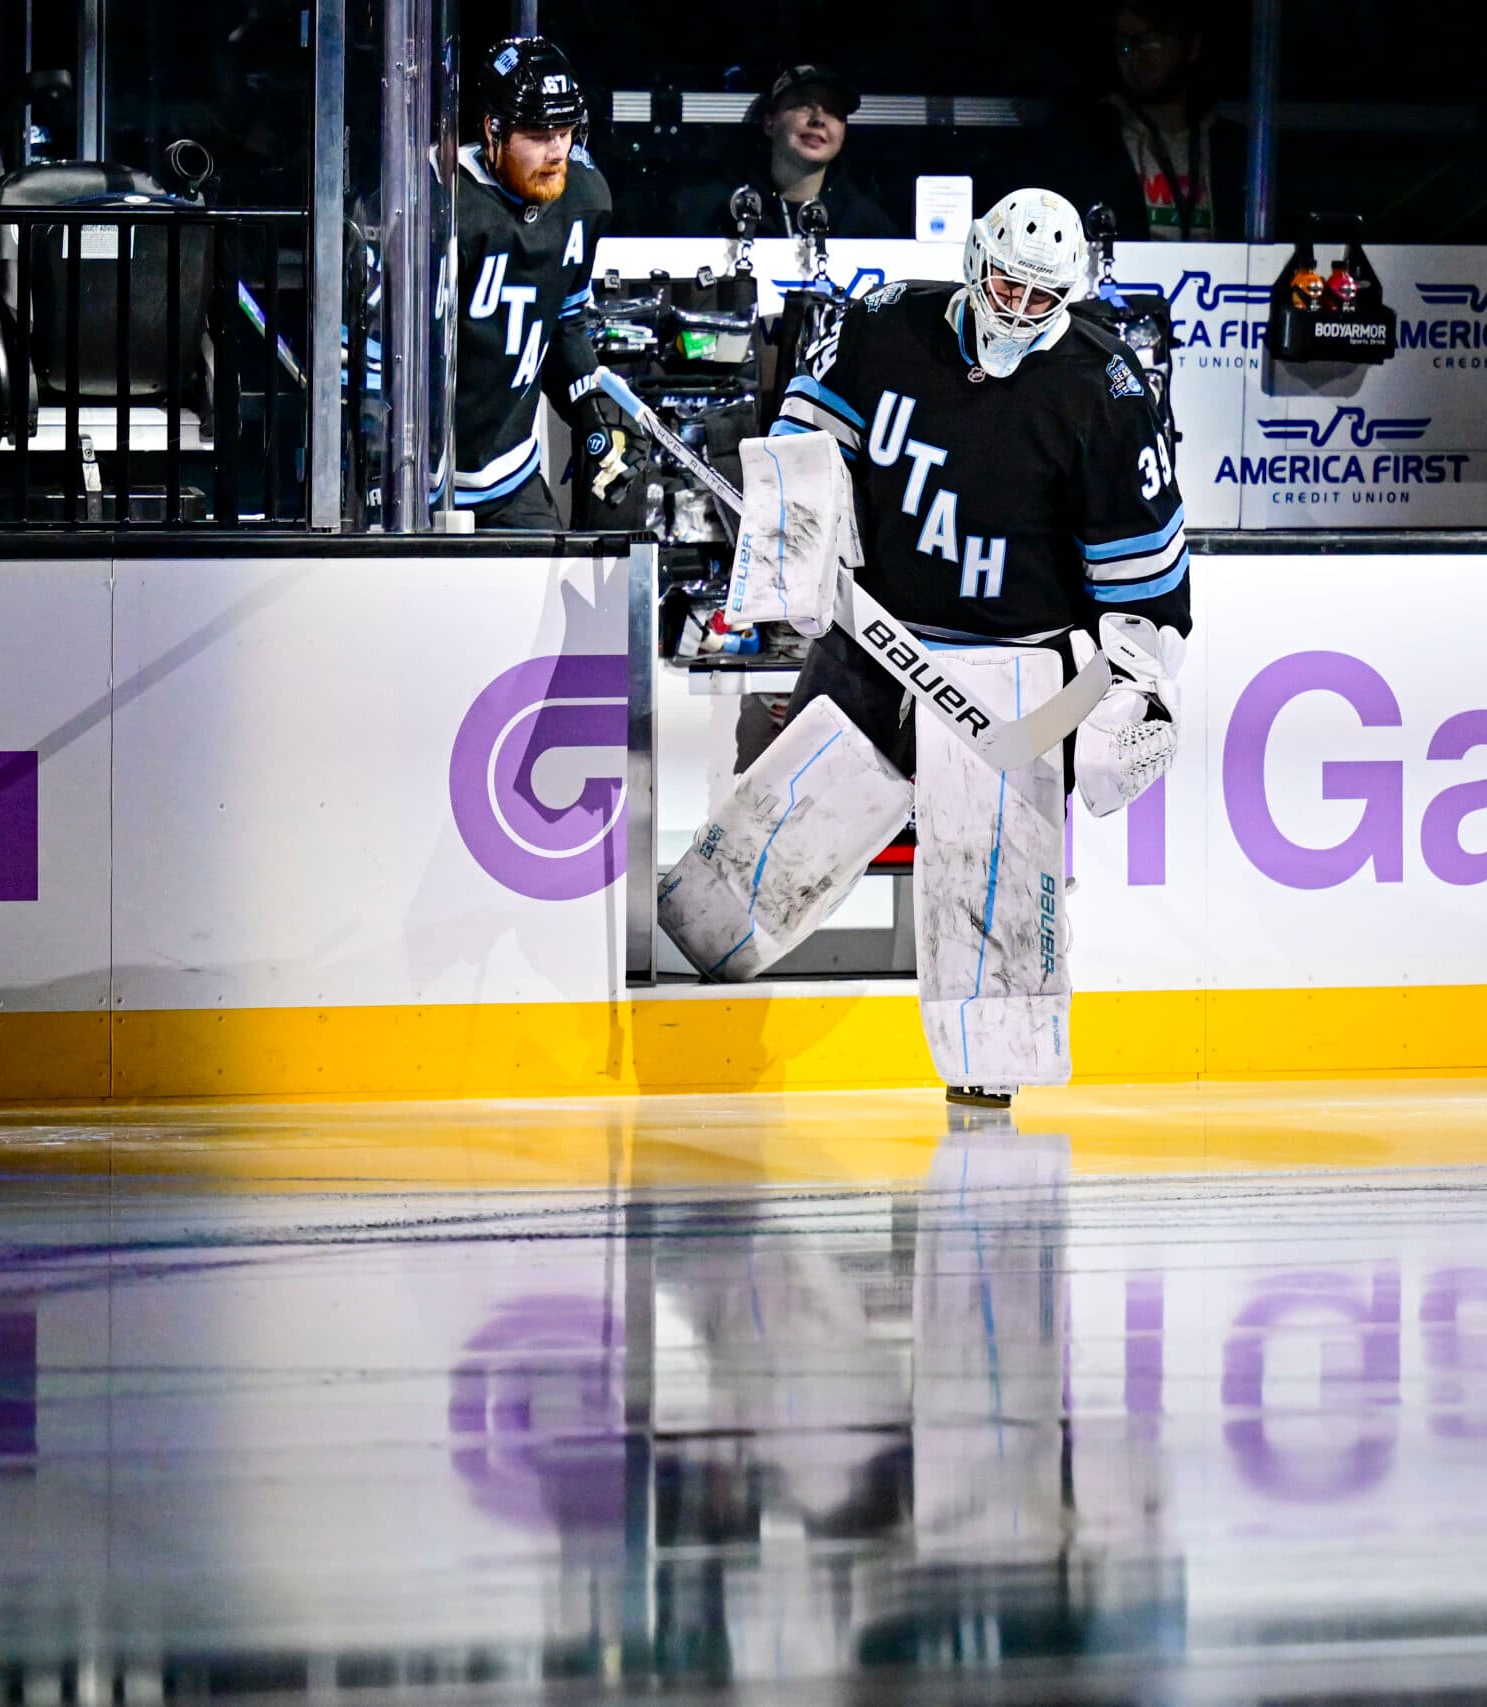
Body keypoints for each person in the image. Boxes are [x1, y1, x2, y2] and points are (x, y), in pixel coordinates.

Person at [656, 189, 1190, 1108]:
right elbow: (804, 442)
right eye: (1007, 286)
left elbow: (1145, 582)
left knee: (996, 896)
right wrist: (796, 540)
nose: (1019, 310)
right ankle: (679, 1013)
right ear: (976, 260)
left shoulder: (1109, 391)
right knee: (754, 860)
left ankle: (991, 1080)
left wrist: (1134, 695)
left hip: (1013, 675)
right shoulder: (883, 323)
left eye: (1042, 297)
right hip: (875, 642)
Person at [451, 36, 634, 527]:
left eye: (565, 131)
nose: (556, 151)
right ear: (492, 131)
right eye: (537, 134)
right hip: (419, 487)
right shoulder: (439, 205)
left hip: (511, 477)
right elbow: (377, 363)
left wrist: (591, 414)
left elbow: (565, 323)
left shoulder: (584, 198)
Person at [1043, 2, 1247, 243]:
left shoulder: (1233, 147)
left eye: (1150, 41)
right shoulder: (1091, 142)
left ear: (1192, 47)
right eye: (1125, 45)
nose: (1136, 55)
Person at [670, 64, 899, 239]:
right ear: (769, 123)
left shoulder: (866, 222)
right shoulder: (712, 211)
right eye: (804, 105)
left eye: (833, 110)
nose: (819, 119)